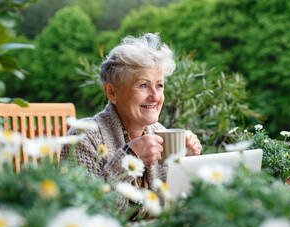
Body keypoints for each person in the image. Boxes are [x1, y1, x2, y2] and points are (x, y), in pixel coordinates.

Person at [60, 33, 202, 198]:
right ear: (112, 92)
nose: (155, 96)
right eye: (143, 85)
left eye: (160, 85)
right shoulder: (83, 138)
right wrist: (129, 159)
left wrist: (186, 163)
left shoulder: (160, 133)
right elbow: (85, 206)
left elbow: (174, 202)